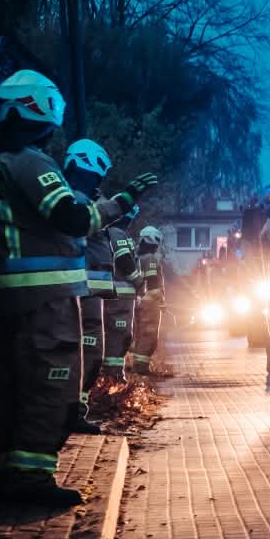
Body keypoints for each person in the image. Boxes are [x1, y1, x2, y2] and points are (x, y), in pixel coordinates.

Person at [0, 71, 157, 505]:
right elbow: (73, 218)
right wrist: (122, 202)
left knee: (12, 386)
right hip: (46, 302)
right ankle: (31, 482)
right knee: (49, 389)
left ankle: (11, 472)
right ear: (42, 112)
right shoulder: (30, 164)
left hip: (2, 298)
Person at [62, 139, 123, 433]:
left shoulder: (87, 199)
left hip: (90, 292)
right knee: (86, 354)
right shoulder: (75, 200)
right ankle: (72, 413)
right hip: (81, 291)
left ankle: (77, 411)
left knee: (91, 355)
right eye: (96, 176)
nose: (99, 182)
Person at [103, 206, 140, 382]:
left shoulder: (114, 233)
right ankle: (112, 374)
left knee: (121, 335)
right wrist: (138, 281)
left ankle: (115, 372)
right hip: (120, 296)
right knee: (119, 334)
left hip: (121, 295)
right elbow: (124, 259)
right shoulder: (116, 233)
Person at [131, 225, 167, 374]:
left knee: (142, 334)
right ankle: (141, 369)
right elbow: (152, 281)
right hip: (150, 302)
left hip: (142, 300)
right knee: (149, 335)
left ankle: (139, 367)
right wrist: (161, 301)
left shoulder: (139, 258)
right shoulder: (150, 258)